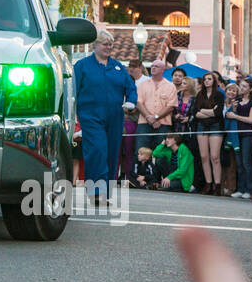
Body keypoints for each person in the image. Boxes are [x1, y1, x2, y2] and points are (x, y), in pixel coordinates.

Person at [71, 31, 137, 203]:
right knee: (97, 150)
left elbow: (130, 87)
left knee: (111, 154)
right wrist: (72, 117)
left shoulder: (117, 67)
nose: (108, 47)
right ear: (95, 45)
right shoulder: (82, 66)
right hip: (91, 116)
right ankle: (96, 192)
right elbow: (73, 92)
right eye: (105, 43)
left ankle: (104, 194)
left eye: (110, 44)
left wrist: (131, 102)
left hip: (114, 117)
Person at [191, 72, 226, 195]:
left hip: (216, 126)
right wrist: (210, 111)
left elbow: (218, 113)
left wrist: (203, 111)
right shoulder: (200, 95)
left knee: (215, 157)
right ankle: (208, 183)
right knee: (204, 156)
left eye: (209, 79)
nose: (206, 81)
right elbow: (195, 112)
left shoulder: (219, 95)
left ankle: (217, 184)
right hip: (202, 126)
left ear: (214, 81)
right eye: (205, 79)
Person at [226, 77, 252, 199]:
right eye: (241, 85)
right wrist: (234, 109)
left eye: (245, 86)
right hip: (236, 133)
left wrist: (235, 116)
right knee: (239, 163)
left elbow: (251, 119)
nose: (241, 88)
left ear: (250, 89)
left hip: (247, 133)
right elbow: (230, 114)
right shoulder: (238, 99)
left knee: (247, 162)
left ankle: (250, 190)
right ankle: (240, 188)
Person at [135, 58, 177, 151]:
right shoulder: (142, 84)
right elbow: (138, 103)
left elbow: (171, 107)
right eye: (152, 66)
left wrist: (155, 117)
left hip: (163, 124)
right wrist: (150, 118)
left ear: (163, 70)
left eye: (156, 66)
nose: (153, 68)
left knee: (161, 153)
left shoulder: (170, 86)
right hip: (144, 123)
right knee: (141, 151)